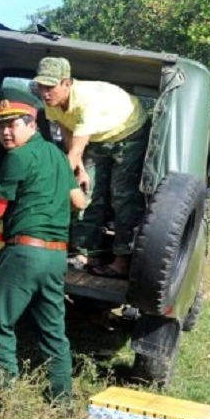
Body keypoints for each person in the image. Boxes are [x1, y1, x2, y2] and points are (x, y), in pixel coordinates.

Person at [0, 88, 87, 402]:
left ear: (32, 124)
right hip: (56, 257)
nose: (5, 132)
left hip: (23, 254)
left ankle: (7, 399)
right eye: (0, 125)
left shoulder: (16, 157)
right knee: (54, 332)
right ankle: (62, 400)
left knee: (0, 324)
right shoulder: (57, 155)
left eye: (12, 124)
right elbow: (79, 201)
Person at [33, 57, 149, 278]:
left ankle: (122, 261)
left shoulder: (87, 102)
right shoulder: (52, 102)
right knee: (86, 191)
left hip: (130, 131)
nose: (45, 93)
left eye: (50, 87)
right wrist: (80, 170)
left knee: (122, 196)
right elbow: (67, 133)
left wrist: (52, 187)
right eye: (41, 87)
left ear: (66, 84)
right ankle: (87, 254)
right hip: (96, 137)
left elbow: (76, 151)